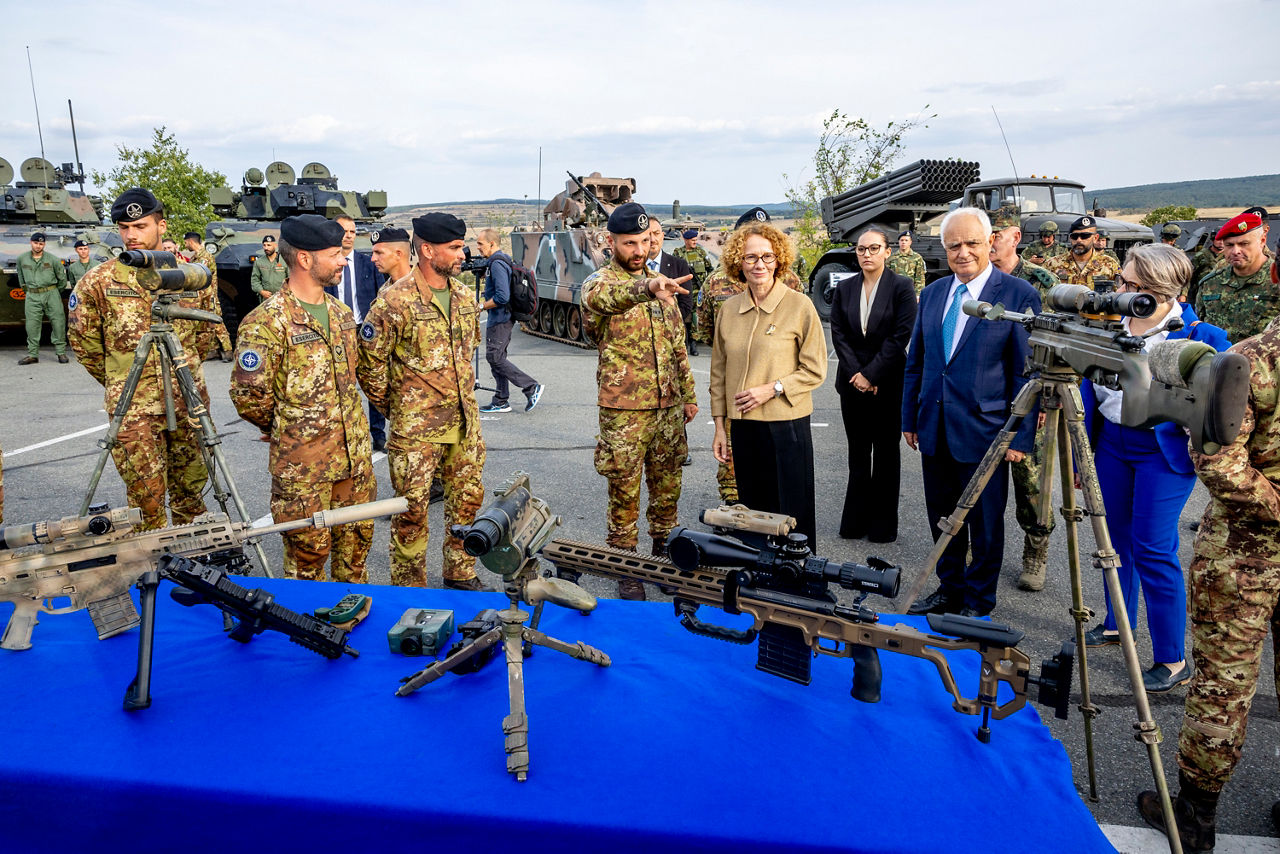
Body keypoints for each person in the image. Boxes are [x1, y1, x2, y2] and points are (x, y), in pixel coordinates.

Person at [1136, 316, 1280, 853]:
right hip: (1246, 553)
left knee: (1222, 688)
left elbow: (1217, 459)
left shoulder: (1255, 356)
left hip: (1243, 554)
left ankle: (1195, 818)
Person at [1079, 244, 1230, 694]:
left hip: (1161, 450)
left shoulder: (1202, 333)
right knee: (1113, 541)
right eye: (1122, 282)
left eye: (1132, 285)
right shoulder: (1113, 320)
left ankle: (1171, 657)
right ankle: (1116, 624)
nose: (1121, 291)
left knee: (1153, 548)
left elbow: (1219, 404)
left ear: (1163, 288)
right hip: (1110, 440)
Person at [902, 207, 1041, 617]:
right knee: (941, 516)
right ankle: (950, 589)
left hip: (987, 432)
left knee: (984, 525)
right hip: (934, 427)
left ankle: (978, 604)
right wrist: (910, 418)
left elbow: (1026, 373)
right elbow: (919, 362)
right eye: (953, 246)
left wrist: (1020, 436)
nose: (963, 253)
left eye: (971, 244)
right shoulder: (932, 293)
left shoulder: (1017, 295)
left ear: (990, 243)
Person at [230, 214, 375, 582]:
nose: (345, 260)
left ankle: (351, 624)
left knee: (355, 558)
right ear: (306, 260)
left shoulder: (342, 316)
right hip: (304, 473)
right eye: (336, 254)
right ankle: (310, 637)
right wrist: (284, 427)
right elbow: (249, 396)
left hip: (354, 465)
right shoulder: (265, 322)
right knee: (306, 565)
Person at [358, 213, 491, 591]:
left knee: (466, 506)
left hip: (464, 428)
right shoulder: (393, 301)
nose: (462, 253)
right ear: (427, 250)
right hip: (416, 433)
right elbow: (369, 367)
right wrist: (400, 410)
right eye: (453, 248)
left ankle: (460, 573)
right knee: (411, 514)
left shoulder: (466, 298)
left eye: (461, 245)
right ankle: (409, 588)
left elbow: (466, 355)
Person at [68, 189, 211, 530]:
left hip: (188, 401)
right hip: (134, 410)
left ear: (162, 226)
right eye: (124, 227)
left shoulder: (191, 276)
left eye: (140, 226)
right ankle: (152, 572)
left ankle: (196, 566)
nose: (131, 235)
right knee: (145, 502)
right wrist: (123, 381)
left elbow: (205, 335)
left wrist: (184, 373)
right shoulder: (100, 281)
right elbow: (84, 343)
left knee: (191, 496)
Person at [582, 202, 697, 600]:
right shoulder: (599, 283)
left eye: (645, 242)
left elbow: (677, 347)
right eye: (630, 243)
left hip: (667, 407)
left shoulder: (662, 286)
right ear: (611, 242)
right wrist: (648, 287)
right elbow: (606, 299)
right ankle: (626, 564)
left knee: (668, 489)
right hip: (624, 411)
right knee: (624, 491)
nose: (639, 251)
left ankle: (663, 557)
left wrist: (688, 395)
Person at [711, 221, 826, 549]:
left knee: (793, 513)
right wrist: (720, 428)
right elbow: (718, 374)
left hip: (786, 426)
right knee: (755, 514)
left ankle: (799, 580)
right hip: (744, 428)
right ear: (738, 262)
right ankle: (761, 579)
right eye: (750, 258)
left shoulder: (799, 306)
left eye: (767, 257)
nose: (759, 264)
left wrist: (772, 388)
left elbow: (815, 370)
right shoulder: (729, 310)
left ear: (779, 261)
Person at [988, 205, 1060, 591]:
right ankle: (975, 545)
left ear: (1014, 237)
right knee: (977, 476)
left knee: (1031, 482)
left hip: (1033, 395)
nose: (990, 243)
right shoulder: (975, 280)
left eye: (996, 235)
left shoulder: (1040, 281)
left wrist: (1048, 399)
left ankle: (1035, 550)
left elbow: (1060, 342)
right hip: (985, 398)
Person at [829, 227, 915, 542]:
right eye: (862, 249)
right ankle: (854, 523)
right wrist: (858, 375)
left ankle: (882, 527)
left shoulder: (901, 287)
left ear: (887, 251)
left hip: (888, 383)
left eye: (874, 248)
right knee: (859, 453)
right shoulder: (846, 288)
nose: (867, 254)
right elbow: (838, 332)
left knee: (886, 455)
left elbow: (899, 336)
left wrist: (873, 375)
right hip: (852, 385)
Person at [326, 214, 387, 451]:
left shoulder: (366, 263)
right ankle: (343, 436)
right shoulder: (328, 264)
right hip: (337, 331)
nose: (349, 235)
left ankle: (378, 435)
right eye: (344, 231)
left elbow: (379, 295)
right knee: (341, 384)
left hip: (364, 330)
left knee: (372, 382)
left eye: (352, 231)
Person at [475, 227, 543, 415]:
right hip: (500, 318)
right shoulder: (498, 262)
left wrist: (480, 307)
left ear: (492, 243)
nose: (478, 247)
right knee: (497, 358)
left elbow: (502, 296)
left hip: (500, 318)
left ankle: (530, 387)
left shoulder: (496, 264)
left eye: (480, 243)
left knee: (495, 357)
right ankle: (501, 400)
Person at [1194, 211, 1279, 343]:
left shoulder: (1276, 282)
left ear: (1262, 241)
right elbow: (1200, 327)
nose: (1235, 251)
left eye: (1244, 244)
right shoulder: (1210, 284)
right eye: (1229, 245)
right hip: (1217, 361)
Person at [15, 232, 70, 365]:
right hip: (32, 295)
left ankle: (61, 352)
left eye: (41, 243)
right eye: (36, 243)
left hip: (51, 293)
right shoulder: (22, 259)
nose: (38, 246)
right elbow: (21, 278)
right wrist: (28, 290)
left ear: (44, 244)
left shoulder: (53, 259)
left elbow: (62, 279)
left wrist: (55, 292)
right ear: (31, 242)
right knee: (32, 325)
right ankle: (33, 354)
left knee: (58, 323)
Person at [646, 215, 696, 355]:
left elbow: (686, 303)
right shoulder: (633, 267)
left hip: (671, 338)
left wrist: (663, 321)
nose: (652, 239)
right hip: (640, 338)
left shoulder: (678, 265)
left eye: (656, 234)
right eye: (647, 235)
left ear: (662, 236)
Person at [182, 230, 233, 361]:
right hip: (200, 295)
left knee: (215, 321)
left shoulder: (205, 256)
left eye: (186, 242)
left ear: (190, 241)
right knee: (206, 323)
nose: (185, 245)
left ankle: (227, 350)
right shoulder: (195, 257)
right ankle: (214, 349)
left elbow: (197, 274)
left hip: (209, 296)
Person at [1046, 215, 1120, 286]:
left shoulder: (1110, 265)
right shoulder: (1052, 265)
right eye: (1074, 236)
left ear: (1095, 238)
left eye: (1085, 236)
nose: (1079, 240)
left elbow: (1119, 293)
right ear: (1070, 238)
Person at [672, 227, 714, 353]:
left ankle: (694, 342)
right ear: (686, 240)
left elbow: (710, 269)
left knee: (696, 314)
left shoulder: (701, 252)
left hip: (699, 289)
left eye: (696, 240)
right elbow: (674, 271)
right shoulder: (678, 253)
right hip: (684, 290)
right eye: (692, 240)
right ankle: (683, 340)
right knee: (684, 314)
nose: (695, 242)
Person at [886, 230, 926, 295]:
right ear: (899, 242)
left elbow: (920, 277)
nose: (903, 242)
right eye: (902, 240)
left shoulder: (917, 258)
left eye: (906, 240)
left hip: (910, 291)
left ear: (910, 242)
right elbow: (887, 277)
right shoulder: (891, 258)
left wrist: (918, 294)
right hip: (895, 291)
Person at [250, 235, 288, 299]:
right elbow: (255, 280)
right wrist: (261, 291)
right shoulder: (259, 262)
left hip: (282, 297)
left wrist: (285, 292)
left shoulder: (284, 261)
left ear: (275, 245)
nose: (266, 248)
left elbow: (291, 279)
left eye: (269, 245)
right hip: (266, 298)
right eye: (264, 245)